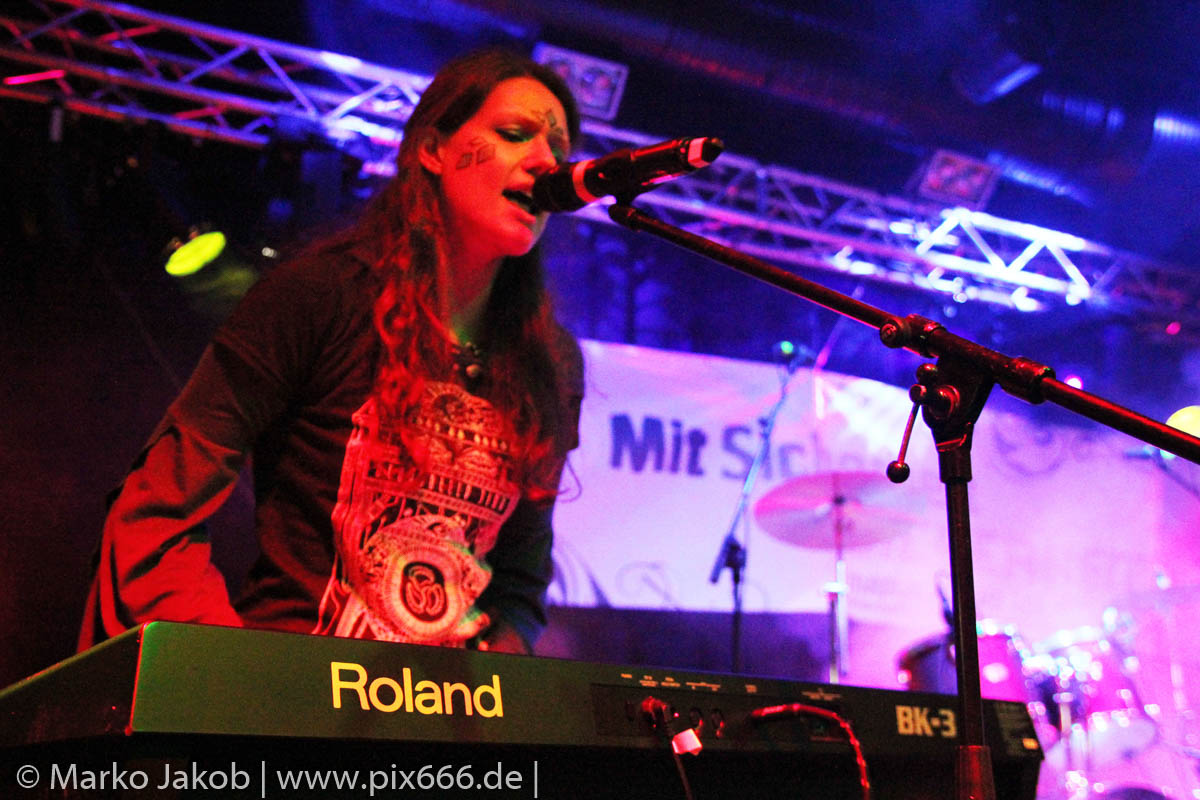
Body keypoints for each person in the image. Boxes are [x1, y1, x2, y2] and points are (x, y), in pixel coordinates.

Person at [78, 48, 584, 655]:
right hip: (298, 689)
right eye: (514, 134)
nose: (546, 162)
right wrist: (231, 672)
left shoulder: (551, 362)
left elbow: (521, 581)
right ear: (433, 149)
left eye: (558, 150)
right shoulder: (319, 297)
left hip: (445, 705)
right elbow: (157, 508)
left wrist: (494, 677)